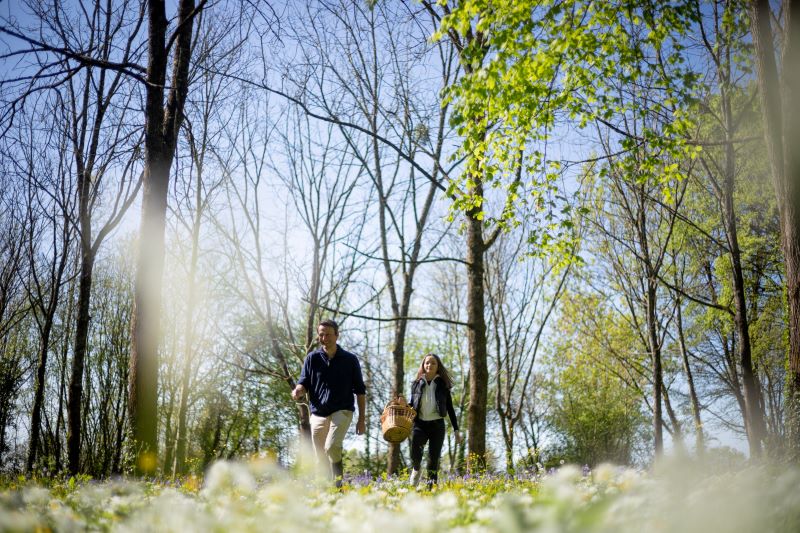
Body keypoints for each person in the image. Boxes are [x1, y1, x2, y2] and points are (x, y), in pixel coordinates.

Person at [291, 319, 366, 487]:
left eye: (328, 334)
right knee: (320, 456)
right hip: (318, 413)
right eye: (321, 335)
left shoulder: (350, 360)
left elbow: (360, 391)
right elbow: (303, 382)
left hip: (342, 410)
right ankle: (325, 490)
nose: (324, 338)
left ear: (337, 335)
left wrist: (362, 419)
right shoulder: (312, 359)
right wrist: (298, 390)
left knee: (332, 447)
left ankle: (338, 486)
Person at [407, 353, 461, 488]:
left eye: (433, 363)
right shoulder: (416, 384)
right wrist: (403, 405)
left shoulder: (443, 385)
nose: (429, 365)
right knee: (415, 454)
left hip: (437, 425)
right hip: (419, 424)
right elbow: (412, 405)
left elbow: (450, 408)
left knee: (433, 460)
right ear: (423, 366)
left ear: (438, 367)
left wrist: (456, 430)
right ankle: (416, 469)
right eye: (427, 363)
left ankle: (431, 489)